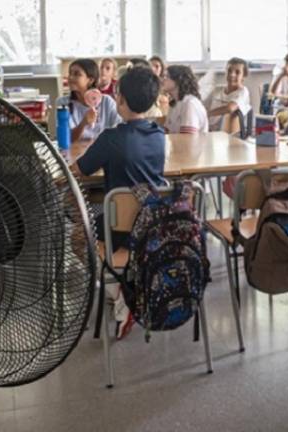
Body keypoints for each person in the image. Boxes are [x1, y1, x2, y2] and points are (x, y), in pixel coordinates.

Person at [71, 67, 166, 340]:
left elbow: (81, 170)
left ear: (120, 99)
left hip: (119, 227)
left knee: (77, 237)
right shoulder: (159, 135)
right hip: (151, 225)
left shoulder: (112, 138)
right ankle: (127, 286)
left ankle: (120, 291)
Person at [56, 58, 121, 142]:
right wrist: (83, 124)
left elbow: (120, 131)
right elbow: (65, 139)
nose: (70, 78)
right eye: (70, 73)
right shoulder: (63, 103)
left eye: (77, 74)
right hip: (75, 153)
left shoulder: (107, 102)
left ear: (90, 80)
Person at [204, 57, 251, 132]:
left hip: (227, 132)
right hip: (208, 129)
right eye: (229, 71)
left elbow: (230, 108)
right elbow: (204, 106)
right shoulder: (217, 89)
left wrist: (208, 113)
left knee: (231, 114)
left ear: (244, 76)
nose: (232, 75)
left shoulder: (243, 91)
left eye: (237, 72)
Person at [162, 65, 208, 134]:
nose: (163, 79)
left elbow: (187, 140)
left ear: (178, 80)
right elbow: (166, 133)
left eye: (167, 76)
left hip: (190, 144)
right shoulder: (174, 103)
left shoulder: (189, 104)